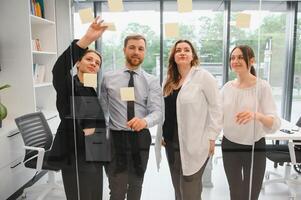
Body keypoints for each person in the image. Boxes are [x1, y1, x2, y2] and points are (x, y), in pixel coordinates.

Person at [49, 17, 108, 200]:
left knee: (95, 193)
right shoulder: (67, 85)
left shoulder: (91, 88)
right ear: (78, 63)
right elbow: (58, 70)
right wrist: (86, 40)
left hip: (95, 151)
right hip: (75, 151)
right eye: (89, 59)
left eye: (97, 63)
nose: (93, 64)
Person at [101, 34, 163, 200]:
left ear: (145, 52)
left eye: (140, 49)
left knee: (136, 185)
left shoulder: (152, 81)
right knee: (117, 189)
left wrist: (144, 121)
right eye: (132, 48)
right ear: (124, 50)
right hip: (116, 138)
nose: (136, 52)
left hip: (140, 137)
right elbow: (102, 110)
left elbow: (157, 112)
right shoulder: (108, 78)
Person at [161, 39, 222, 200]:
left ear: (192, 55)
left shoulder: (203, 77)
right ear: (173, 56)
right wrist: (161, 133)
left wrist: (212, 137)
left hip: (195, 141)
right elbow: (165, 111)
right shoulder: (169, 80)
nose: (182, 52)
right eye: (178, 50)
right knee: (178, 189)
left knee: (190, 190)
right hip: (171, 143)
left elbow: (217, 108)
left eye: (186, 50)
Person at [221, 45, 281, 200]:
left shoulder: (262, 86)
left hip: (255, 146)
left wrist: (256, 115)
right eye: (233, 58)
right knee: (235, 192)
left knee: (251, 194)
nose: (235, 61)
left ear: (252, 60)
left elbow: (274, 123)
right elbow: (216, 116)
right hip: (229, 145)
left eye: (240, 57)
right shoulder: (227, 88)